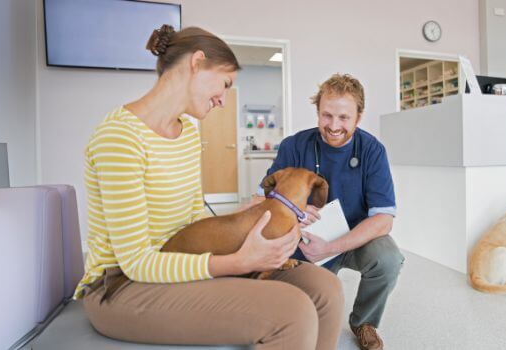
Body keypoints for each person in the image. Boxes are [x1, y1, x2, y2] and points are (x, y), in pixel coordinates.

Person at [74, 24, 344, 349]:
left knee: (325, 288)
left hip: (180, 259)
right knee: (293, 312)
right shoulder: (119, 138)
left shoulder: (187, 131)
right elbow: (135, 261)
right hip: (122, 286)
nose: (223, 100)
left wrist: (246, 220)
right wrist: (240, 262)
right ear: (197, 62)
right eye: (226, 84)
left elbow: (193, 220)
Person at [250, 73, 403, 350]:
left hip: (355, 238)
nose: (333, 126)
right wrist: (294, 209)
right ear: (318, 112)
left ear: (359, 116)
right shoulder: (294, 146)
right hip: (306, 241)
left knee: (389, 259)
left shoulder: (372, 151)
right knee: (303, 317)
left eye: (344, 118)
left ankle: (364, 322)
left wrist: (332, 246)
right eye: (326, 115)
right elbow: (261, 199)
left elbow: (383, 220)